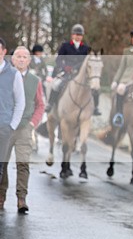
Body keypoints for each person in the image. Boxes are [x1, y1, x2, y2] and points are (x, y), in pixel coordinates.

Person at [0, 47, 44, 213]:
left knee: (23, 163)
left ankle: (21, 198)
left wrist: (33, 123)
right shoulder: (6, 76)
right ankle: (1, 196)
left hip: (25, 127)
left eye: (25, 57)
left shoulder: (35, 80)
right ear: (12, 59)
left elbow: (40, 104)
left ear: (29, 60)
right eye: (18, 56)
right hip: (6, 126)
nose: (21, 60)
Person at [46, 24, 101, 116]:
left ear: (82, 36)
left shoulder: (86, 48)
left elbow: (87, 62)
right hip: (67, 72)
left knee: (95, 87)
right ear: (72, 35)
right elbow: (58, 60)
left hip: (81, 73)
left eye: (80, 35)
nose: (78, 36)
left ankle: (95, 107)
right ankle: (50, 104)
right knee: (56, 85)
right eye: (76, 34)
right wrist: (65, 67)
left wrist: (78, 68)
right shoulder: (65, 46)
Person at [0, 37, 26, 206]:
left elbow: (20, 102)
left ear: (3, 51)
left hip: (3, 127)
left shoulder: (14, 74)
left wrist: (12, 125)